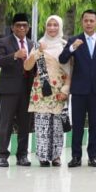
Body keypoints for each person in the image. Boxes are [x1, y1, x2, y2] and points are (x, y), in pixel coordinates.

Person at [59, 9, 96, 168]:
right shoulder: (74, 40)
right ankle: (75, 156)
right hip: (79, 90)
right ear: (82, 22)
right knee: (78, 125)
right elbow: (62, 59)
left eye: (91, 21)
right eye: (86, 20)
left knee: (95, 125)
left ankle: (93, 156)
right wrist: (72, 48)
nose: (88, 23)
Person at [23, 15, 70, 167]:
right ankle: (42, 156)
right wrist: (37, 52)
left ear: (60, 27)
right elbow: (27, 66)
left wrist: (65, 89)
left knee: (57, 125)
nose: (52, 28)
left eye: (55, 25)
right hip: (41, 89)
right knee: (42, 124)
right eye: (49, 24)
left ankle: (56, 156)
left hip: (59, 90)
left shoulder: (64, 45)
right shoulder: (38, 44)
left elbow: (71, 71)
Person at [0, 13, 35, 167]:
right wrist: (15, 55)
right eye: (18, 25)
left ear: (28, 27)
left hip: (27, 90)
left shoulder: (32, 44)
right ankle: (2, 155)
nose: (22, 28)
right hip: (9, 90)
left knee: (25, 124)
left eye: (24, 25)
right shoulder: (4, 42)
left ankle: (22, 155)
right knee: (6, 123)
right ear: (12, 27)